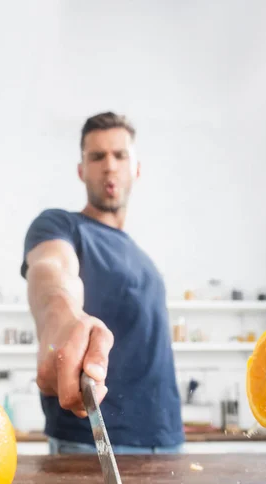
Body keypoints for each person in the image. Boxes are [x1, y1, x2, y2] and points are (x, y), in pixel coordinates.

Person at [21, 112, 184, 454]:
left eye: (120, 155)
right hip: (93, 440)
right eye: (97, 156)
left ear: (136, 168)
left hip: (166, 438)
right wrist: (62, 320)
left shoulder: (145, 259)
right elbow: (52, 273)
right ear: (81, 170)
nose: (109, 166)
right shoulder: (60, 226)